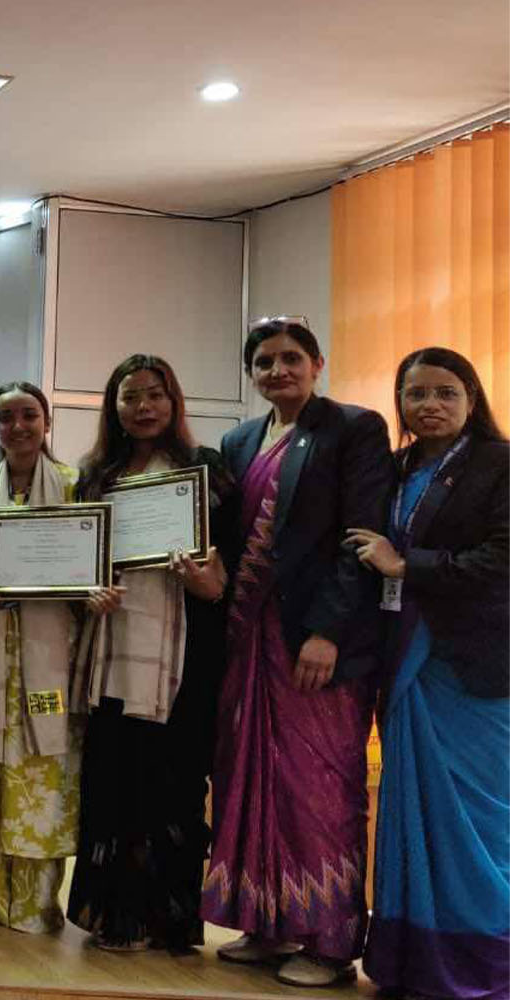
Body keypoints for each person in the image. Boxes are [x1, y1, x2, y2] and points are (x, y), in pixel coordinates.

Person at [204, 317, 392, 986]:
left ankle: (330, 942)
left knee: (319, 789)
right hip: (249, 641)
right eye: (264, 362)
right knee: (252, 782)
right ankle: (268, 923)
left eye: (291, 358)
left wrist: (328, 632)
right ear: (251, 373)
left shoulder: (353, 429)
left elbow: (361, 537)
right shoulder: (239, 440)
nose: (278, 370)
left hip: (314, 645)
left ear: (317, 364)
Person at [348, 347, 508, 1000]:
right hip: (405, 660)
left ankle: (486, 965)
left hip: (472, 667)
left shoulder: (500, 464)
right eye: (416, 394)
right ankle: (412, 962)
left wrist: (405, 564)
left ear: (471, 398)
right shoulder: (397, 468)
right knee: (411, 813)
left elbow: (501, 560)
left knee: (480, 820)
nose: (430, 405)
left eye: (446, 392)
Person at [65, 354, 233, 953]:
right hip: (110, 656)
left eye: (155, 394)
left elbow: (227, 571)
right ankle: (119, 917)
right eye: (130, 396)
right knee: (112, 784)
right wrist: (89, 593)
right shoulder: (95, 476)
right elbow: (78, 566)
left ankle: (170, 922)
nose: (143, 407)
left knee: (174, 789)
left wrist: (205, 582)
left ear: (174, 400)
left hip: (183, 662)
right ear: (113, 407)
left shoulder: (205, 468)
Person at [0, 381, 112, 933]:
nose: (18, 426)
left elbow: (94, 561)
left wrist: (91, 588)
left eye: (28, 415)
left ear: (47, 421)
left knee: (48, 771)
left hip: (52, 665)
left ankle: (38, 905)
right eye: (6, 417)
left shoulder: (75, 485)